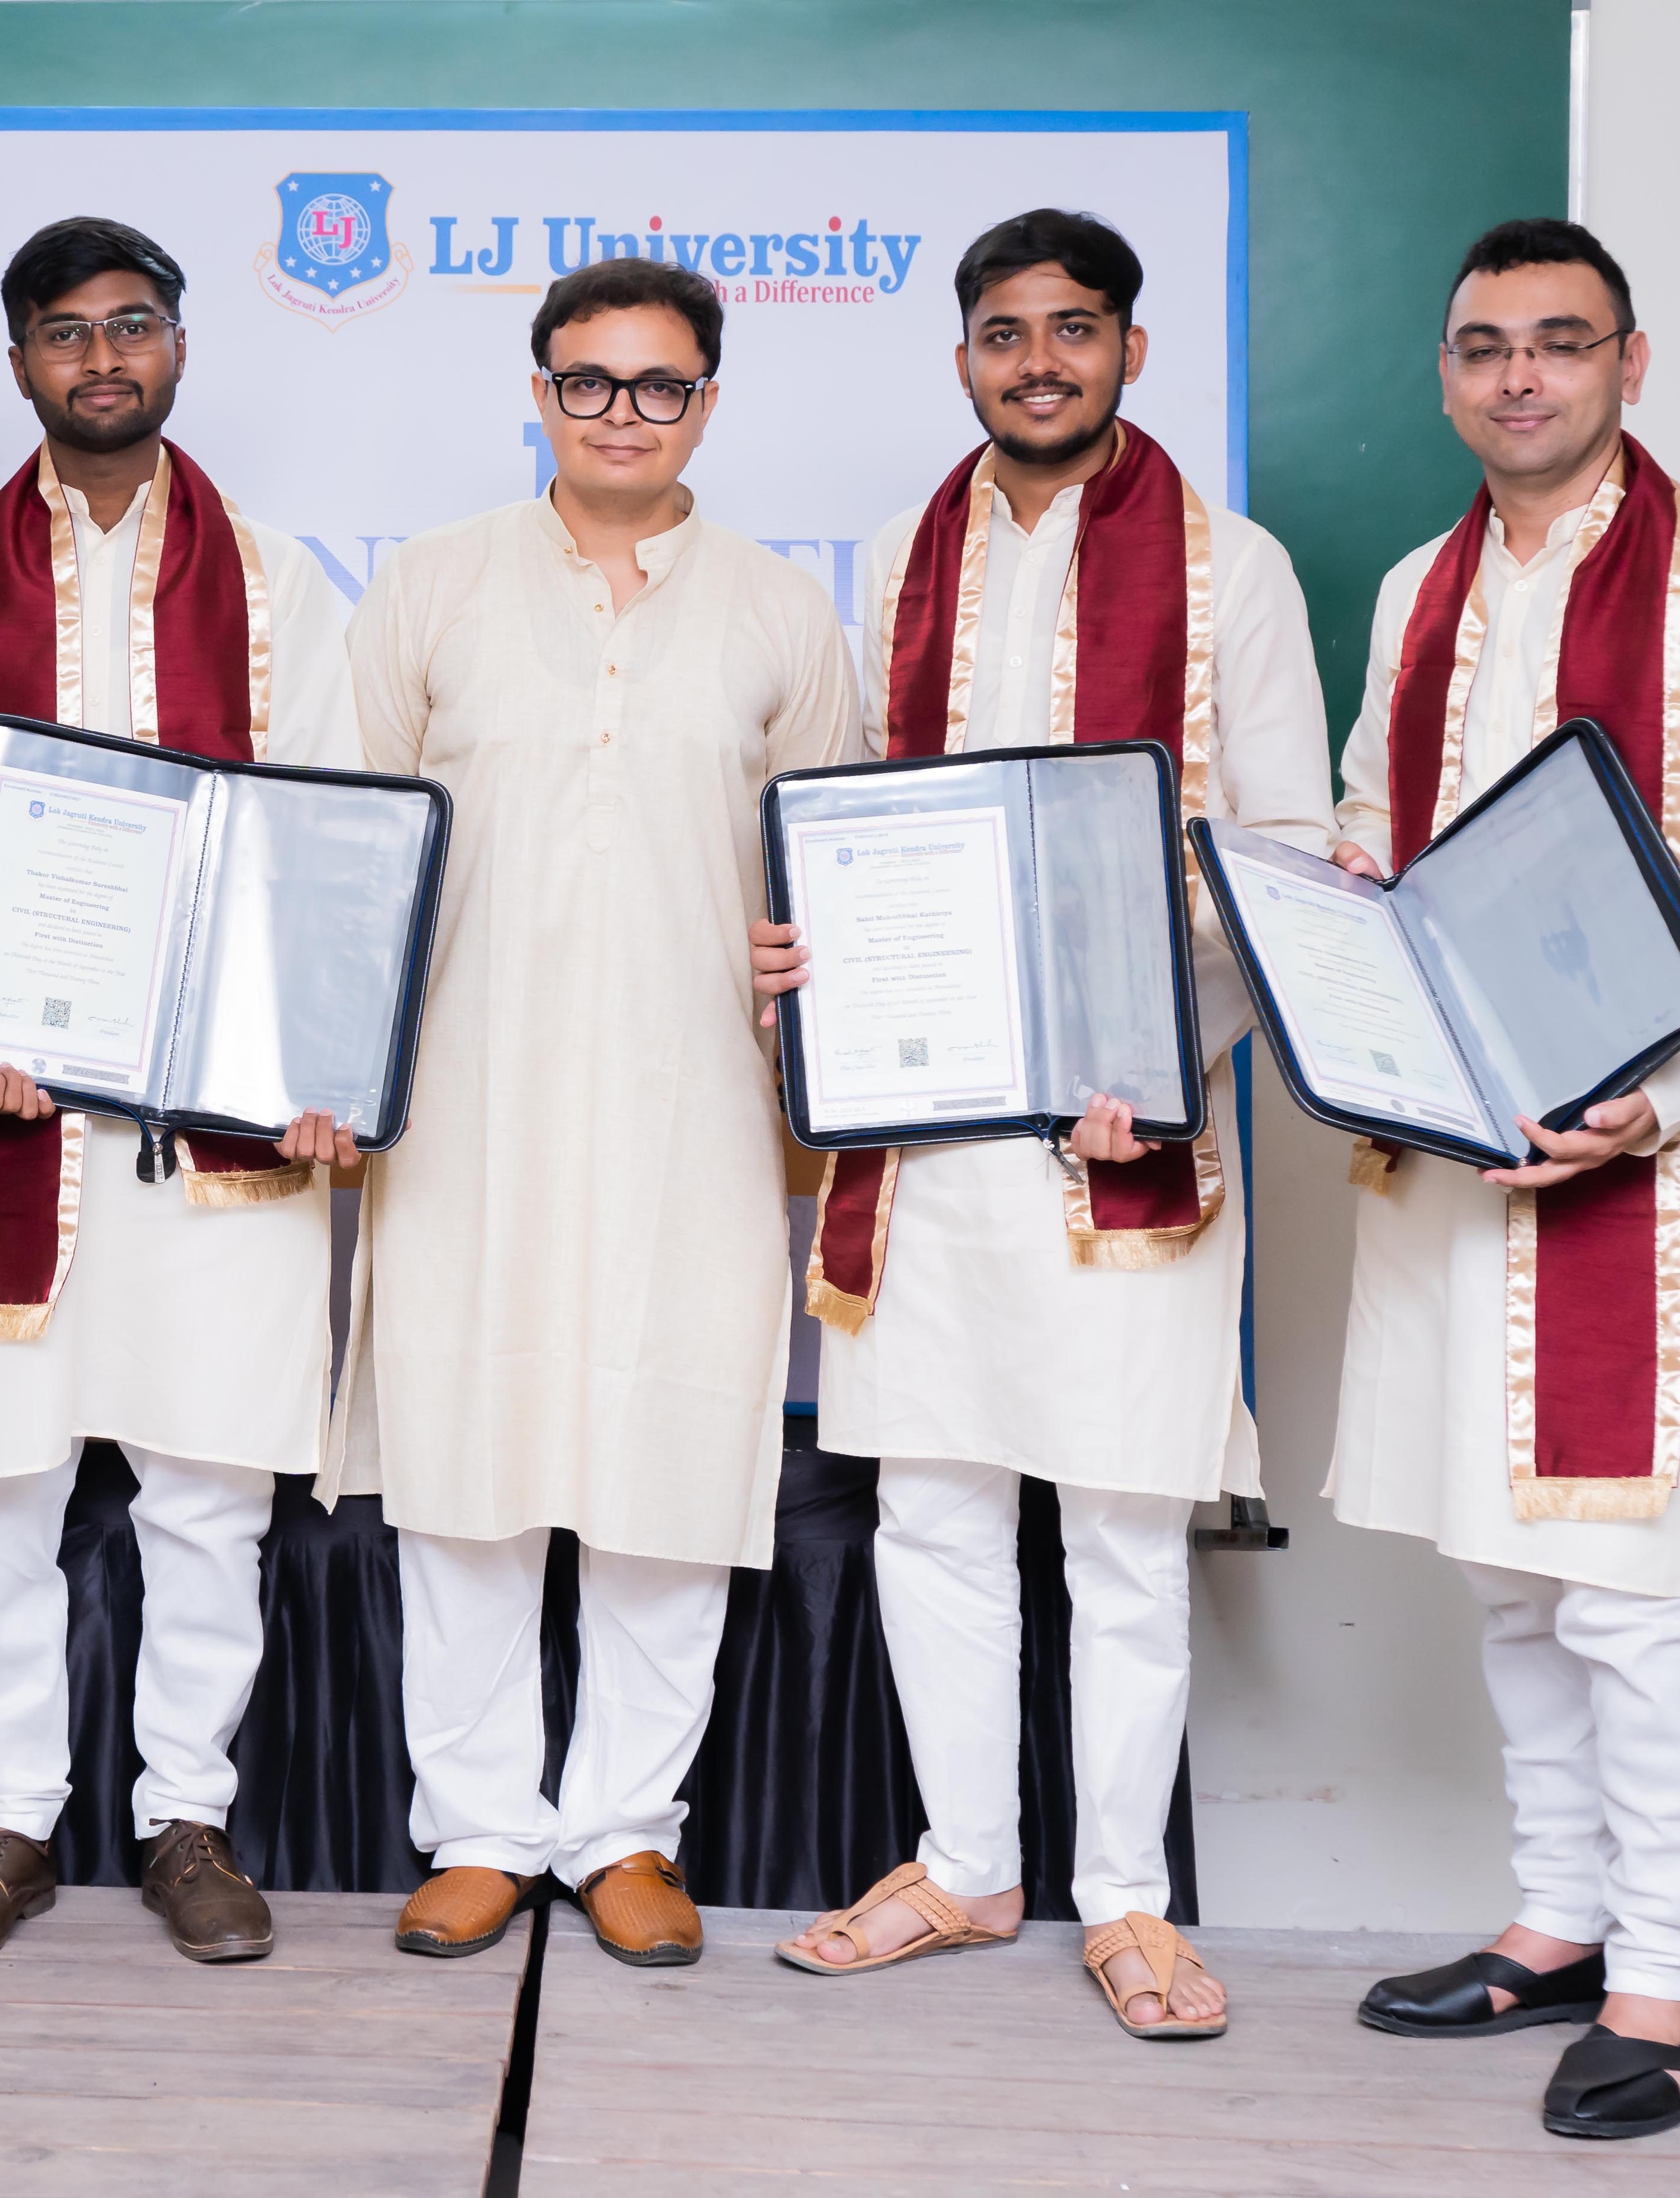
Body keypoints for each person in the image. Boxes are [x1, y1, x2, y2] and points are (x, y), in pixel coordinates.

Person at [748, 209, 1334, 2039]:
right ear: (964, 360)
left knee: (1120, 1529)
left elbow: (1288, 861)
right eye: (1005, 334)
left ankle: (1128, 1897)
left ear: (1131, 351)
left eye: (1074, 329)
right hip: (928, 1130)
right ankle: (967, 1863)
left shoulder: (1231, 570)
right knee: (931, 1508)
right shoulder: (900, 568)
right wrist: (804, 949)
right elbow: (853, 820)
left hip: (1121, 1129)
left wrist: (1156, 1051)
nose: (1040, 362)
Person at [1326, 220, 1680, 2139]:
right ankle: (1556, 1922)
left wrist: (1660, 1092)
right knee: (1513, 1575)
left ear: (1632, 359)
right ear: (1449, 374)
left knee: (1639, 1595)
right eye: (1485, 347)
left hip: (1646, 1165)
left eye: (1560, 340)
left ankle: (1668, 1982)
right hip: (1466, 1149)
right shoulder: (1418, 587)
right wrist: (1338, 913)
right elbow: (1375, 822)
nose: (1520, 375)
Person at [326, 256, 855, 1967]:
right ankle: (481, 1830)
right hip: (464, 1097)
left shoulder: (782, 610)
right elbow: (342, 851)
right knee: (461, 1461)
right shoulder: (431, 585)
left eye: (660, 385)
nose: (623, 413)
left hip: (696, 1102)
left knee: (670, 1460)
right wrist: (331, 1068)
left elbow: (839, 862)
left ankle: (630, 1831)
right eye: (589, 381)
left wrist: (807, 942)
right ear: (540, 390)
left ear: (710, 402)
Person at [0, 216, 361, 1967]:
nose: (103, 358)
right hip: (15, 1112)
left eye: (133, 325)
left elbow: (330, 843)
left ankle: (186, 1820)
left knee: (208, 1493)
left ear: (180, 346)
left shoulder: (280, 582)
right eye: (66, 333)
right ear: (20, 364)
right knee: (2, 1488)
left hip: (216, 1125)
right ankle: (8, 1824)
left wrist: (314, 1065)